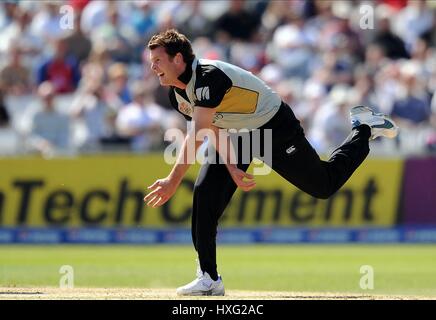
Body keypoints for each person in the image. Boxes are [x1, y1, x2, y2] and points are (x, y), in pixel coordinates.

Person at [143, 29, 398, 296]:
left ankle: (363, 128)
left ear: (178, 59)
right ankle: (208, 277)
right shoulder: (177, 94)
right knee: (205, 193)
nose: (153, 66)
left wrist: (173, 180)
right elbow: (211, 129)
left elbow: (198, 133)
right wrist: (231, 165)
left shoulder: (208, 75)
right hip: (238, 134)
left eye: (158, 60)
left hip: (273, 126)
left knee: (324, 185)